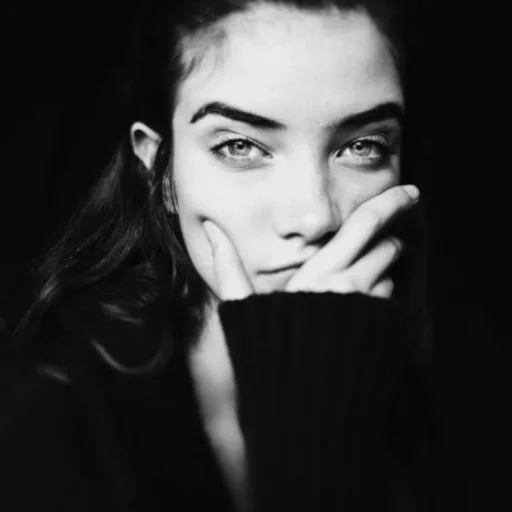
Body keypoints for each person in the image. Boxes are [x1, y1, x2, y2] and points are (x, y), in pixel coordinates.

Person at [2, 0, 433, 511]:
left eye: (363, 147)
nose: (314, 217)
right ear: (160, 171)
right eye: (239, 147)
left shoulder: (451, 390)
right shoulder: (45, 408)